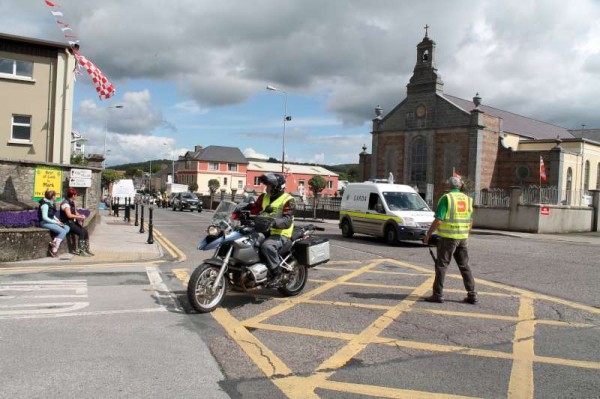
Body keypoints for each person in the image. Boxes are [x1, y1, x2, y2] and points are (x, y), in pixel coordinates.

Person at [423, 176, 477, 304]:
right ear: (460, 186)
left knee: (441, 265)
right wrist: (465, 233)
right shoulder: (468, 199)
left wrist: (428, 235)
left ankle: (437, 294)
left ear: (448, 186)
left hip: (448, 238)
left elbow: (438, 220)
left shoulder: (446, 198)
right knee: (464, 266)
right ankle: (472, 294)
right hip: (462, 237)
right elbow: (470, 220)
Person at [244, 173, 296, 286]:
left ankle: (277, 273)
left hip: (281, 233)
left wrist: (274, 223)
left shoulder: (288, 200)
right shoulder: (264, 197)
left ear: (277, 187)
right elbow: (255, 208)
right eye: (266, 185)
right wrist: (241, 209)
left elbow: (287, 220)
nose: (266, 188)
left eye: (269, 186)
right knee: (244, 240)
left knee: (267, 246)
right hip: (263, 229)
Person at [60, 188, 94, 256]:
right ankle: (81, 251)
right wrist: (79, 217)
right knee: (81, 232)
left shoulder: (72, 202)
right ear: (73, 195)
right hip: (67, 222)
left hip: (72, 222)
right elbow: (69, 215)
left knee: (85, 232)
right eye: (76, 195)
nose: (76, 196)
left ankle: (86, 249)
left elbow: (75, 212)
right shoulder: (65, 204)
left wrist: (81, 215)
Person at [38, 189, 70, 257]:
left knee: (67, 227)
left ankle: (54, 242)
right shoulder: (45, 205)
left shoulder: (51, 203)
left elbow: (52, 215)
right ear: (52, 196)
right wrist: (55, 222)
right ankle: (54, 250)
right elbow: (45, 217)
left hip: (50, 221)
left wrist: (58, 221)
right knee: (63, 231)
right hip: (44, 222)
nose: (55, 197)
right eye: (55, 196)